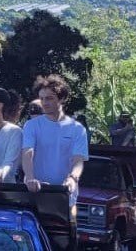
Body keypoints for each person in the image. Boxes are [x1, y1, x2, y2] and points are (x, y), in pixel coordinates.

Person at [22, 74, 89, 212]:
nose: (44, 103)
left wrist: (72, 178)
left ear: (62, 98)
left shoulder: (77, 129)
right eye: (42, 99)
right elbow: (27, 153)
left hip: (65, 196)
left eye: (49, 98)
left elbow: (78, 159)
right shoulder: (31, 125)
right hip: (35, 194)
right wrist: (30, 178)